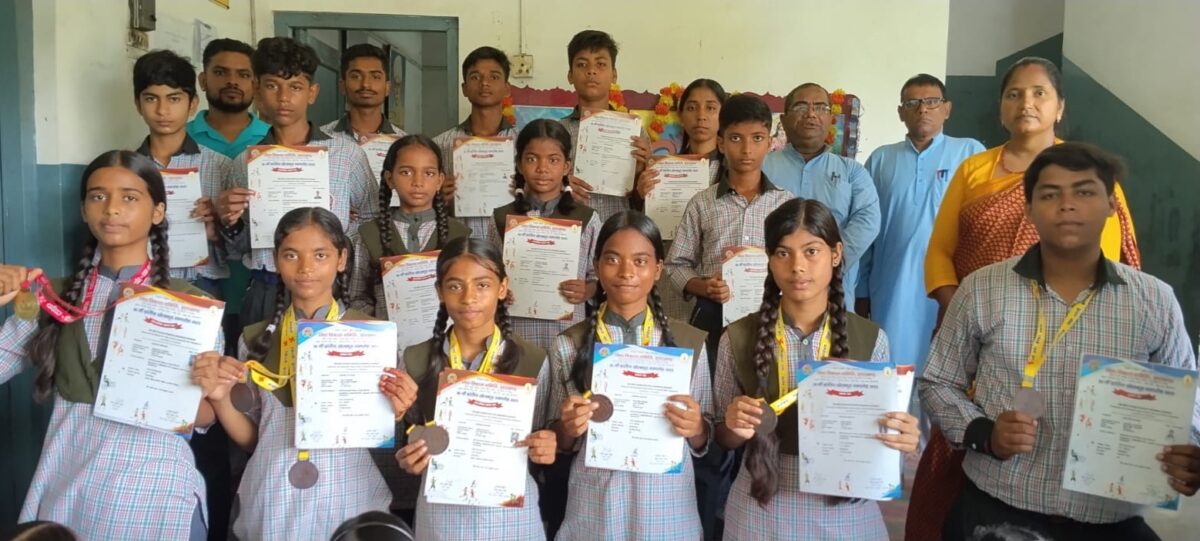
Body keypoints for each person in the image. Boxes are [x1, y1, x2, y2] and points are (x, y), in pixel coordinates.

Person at [909, 57, 1141, 541]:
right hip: (981, 336)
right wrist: (966, 317)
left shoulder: (1092, 177)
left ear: (1060, 107)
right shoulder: (975, 169)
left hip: (1074, 341)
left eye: (1039, 93)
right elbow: (940, 252)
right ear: (1000, 108)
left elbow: (1107, 268)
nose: (1026, 103)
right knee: (966, 447)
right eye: (1014, 94)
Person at [919, 142, 1199, 541]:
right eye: (1050, 195)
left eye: (1084, 192)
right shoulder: (982, 288)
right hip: (997, 510)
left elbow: (1189, 402)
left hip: (1111, 519)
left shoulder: (1155, 300)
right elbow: (938, 382)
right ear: (1029, 209)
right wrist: (983, 432)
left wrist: (1188, 451)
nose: (1067, 205)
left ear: (1111, 206)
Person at [0, 150, 218, 540]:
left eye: (129, 197)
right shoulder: (52, 296)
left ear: (157, 211)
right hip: (70, 483)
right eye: (98, 196)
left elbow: (204, 416)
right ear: (84, 210)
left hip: (155, 488)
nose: (112, 208)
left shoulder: (192, 305)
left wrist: (204, 391)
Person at [195, 207, 414, 540]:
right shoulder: (253, 339)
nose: (306, 267)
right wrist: (220, 398)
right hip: (274, 498)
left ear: (342, 259)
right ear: (276, 260)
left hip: (348, 494)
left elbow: (379, 430)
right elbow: (255, 439)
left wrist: (399, 409)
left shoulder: (372, 336)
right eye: (291, 255)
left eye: (320, 255)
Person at [714, 198, 919, 540]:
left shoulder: (870, 339)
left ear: (835, 254)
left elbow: (886, 435)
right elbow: (721, 437)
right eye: (783, 253)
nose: (797, 266)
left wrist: (902, 437)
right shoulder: (737, 337)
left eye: (811, 251)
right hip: (761, 504)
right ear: (769, 259)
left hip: (845, 508)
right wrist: (735, 426)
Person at [549, 211, 712, 540]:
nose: (626, 272)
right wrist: (566, 428)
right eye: (613, 260)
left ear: (658, 269)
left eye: (640, 261)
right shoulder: (568, 344)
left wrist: (696, 428)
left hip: (666, 507)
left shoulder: (688, 343)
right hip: (595, 506)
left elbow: (705, 435)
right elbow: (560, 442)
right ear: (596, 266)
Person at [395, 237, 557, 540]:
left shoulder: (534, 360)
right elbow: (410, 432)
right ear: (439, 291)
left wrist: (548, 445)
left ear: (502, 288)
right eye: (455, 286)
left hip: (510, 514)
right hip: (441, 514)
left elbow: (541, 432)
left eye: (482, 285)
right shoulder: (415, 359)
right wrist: (409, 452)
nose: (469, 298)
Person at [215, 37, 378, 329]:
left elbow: (371, 218)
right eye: (272, 85)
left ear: (312, 93)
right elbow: (239, 248)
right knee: (261, 357)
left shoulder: (346, 154)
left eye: (295, 87)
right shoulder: (244, 163)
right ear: (257, 90)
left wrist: (341, 236)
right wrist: (230, 222)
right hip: (266, 288)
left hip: (329, 290)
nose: (283, 98)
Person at [856, 73, 983, 438]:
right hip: (892, 289)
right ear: (901, 112)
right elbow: (868, 231)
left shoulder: (970, 153)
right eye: (912, 103)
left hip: (949, 292)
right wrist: (862, 291)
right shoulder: (881, 159)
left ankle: (935, 460)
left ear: (947, 109)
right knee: (891, 379)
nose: (922, 110)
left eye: (931, 102)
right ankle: (891, 458)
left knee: (946, 378)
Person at [665, 94, 793, 374]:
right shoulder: (702, 203)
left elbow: (795, 265)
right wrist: (704, 287)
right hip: (712, 315)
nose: (747, 149)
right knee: (708, 385)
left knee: (764, 387)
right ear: (721, 143)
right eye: (736, 138)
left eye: (757, 138)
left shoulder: (786, 205)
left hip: (771, 316)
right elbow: (675, 266)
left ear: (770, 143)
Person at [486, 119, 601, 351]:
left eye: (553, 160)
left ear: (566, 166)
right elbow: (488, 275)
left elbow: (600, 277)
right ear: (519, 164)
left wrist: (588, 289)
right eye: (532, 159)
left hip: (569, 336)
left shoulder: (587, 218)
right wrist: (498, 289)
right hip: (515, 333)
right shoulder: (501, 218)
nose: (542, 168)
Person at [762, 83, 880, 306]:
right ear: (784, 121)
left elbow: (868, 221)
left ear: (830, 120)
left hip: (835, 295)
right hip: (769, 290)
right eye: (801, 107)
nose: (811, 114)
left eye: (820, 107)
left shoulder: (852, 172)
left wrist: (826, 265)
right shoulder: (761, 167)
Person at [131, 49, 232, 290]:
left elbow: (241, 249)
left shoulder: (219, 166)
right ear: (138, 104)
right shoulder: (125, 171)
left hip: (202, 284)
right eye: (151, 99)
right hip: (143, 282)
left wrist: (216, 230)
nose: (162, 110)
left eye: (174, 99)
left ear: (192, 104)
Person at [348, 135, 470, 318]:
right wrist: (384, 319)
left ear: (439, 180)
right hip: (388, 333)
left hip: (445, 334)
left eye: (429, 173)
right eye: (406, 172)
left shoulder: (460, 235)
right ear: (390, 178)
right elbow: (357, 298)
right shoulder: (369, 234)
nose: (418, 182)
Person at [558, 30, 651, 223]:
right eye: (582, 64)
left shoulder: (634, 131)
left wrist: (639, 172)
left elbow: (642, 198)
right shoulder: (557, 132)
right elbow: (542, 191)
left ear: (614, 75)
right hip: (573, 229)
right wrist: (560, 186)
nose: (591, 71)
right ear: (570, 75)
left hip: (619, 228)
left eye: (600, 64)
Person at [434, 46, 520, 238]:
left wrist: (525, 191)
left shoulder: (525, 145)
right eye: (475, 77)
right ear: (464, 89)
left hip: (510, 245)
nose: (484, 83)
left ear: (507, 89)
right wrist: (437, 197)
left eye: (494, 77)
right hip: (460, 246)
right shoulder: (440, 145)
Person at [187, 38, 271, 159]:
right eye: (220, 73)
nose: (232, 81)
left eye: (244, 75)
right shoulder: (178, 138)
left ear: (255, 85)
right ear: (203, 81)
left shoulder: (274, 138)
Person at [320, 43, 406, 143]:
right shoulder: (320, 138)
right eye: (356, 76)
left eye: (375, 77)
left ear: (387, 87)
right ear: (342, 85)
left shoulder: (404, 143)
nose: (365, 84)